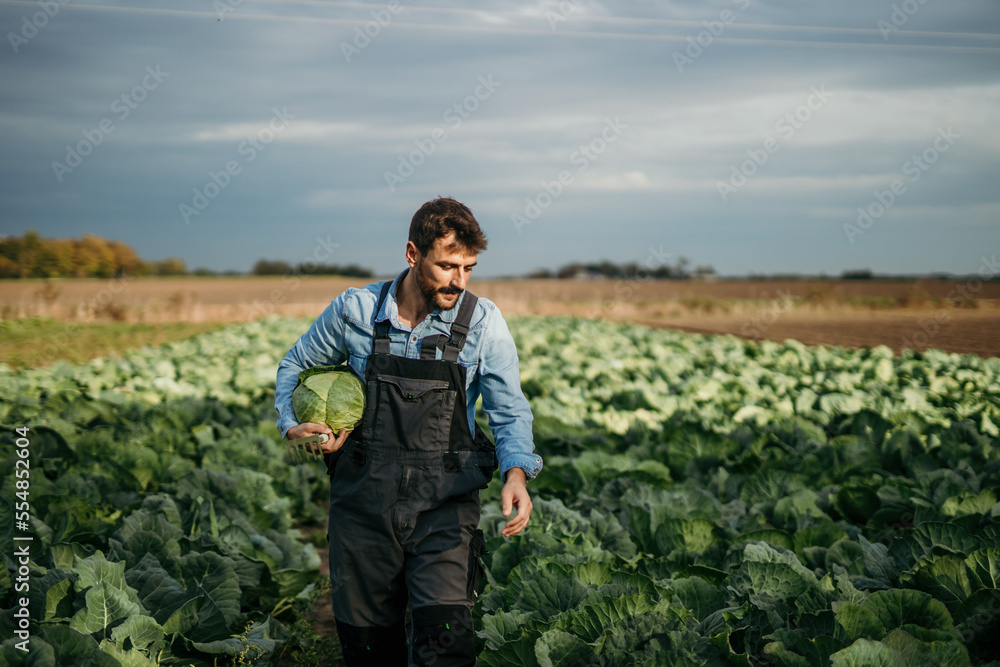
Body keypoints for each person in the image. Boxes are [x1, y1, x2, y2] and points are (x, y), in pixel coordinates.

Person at [274, 197, 543, 666]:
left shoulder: (482, 323)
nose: (459, 281)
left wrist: (516, 472)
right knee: (369, 648)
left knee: (447, 645)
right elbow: (295, 364)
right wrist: (293, 424)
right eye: (446, 266)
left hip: (443, 510)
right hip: (362, 509)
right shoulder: (355, 312)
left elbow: (509, 408)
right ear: (412, 254)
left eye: (469, 267)